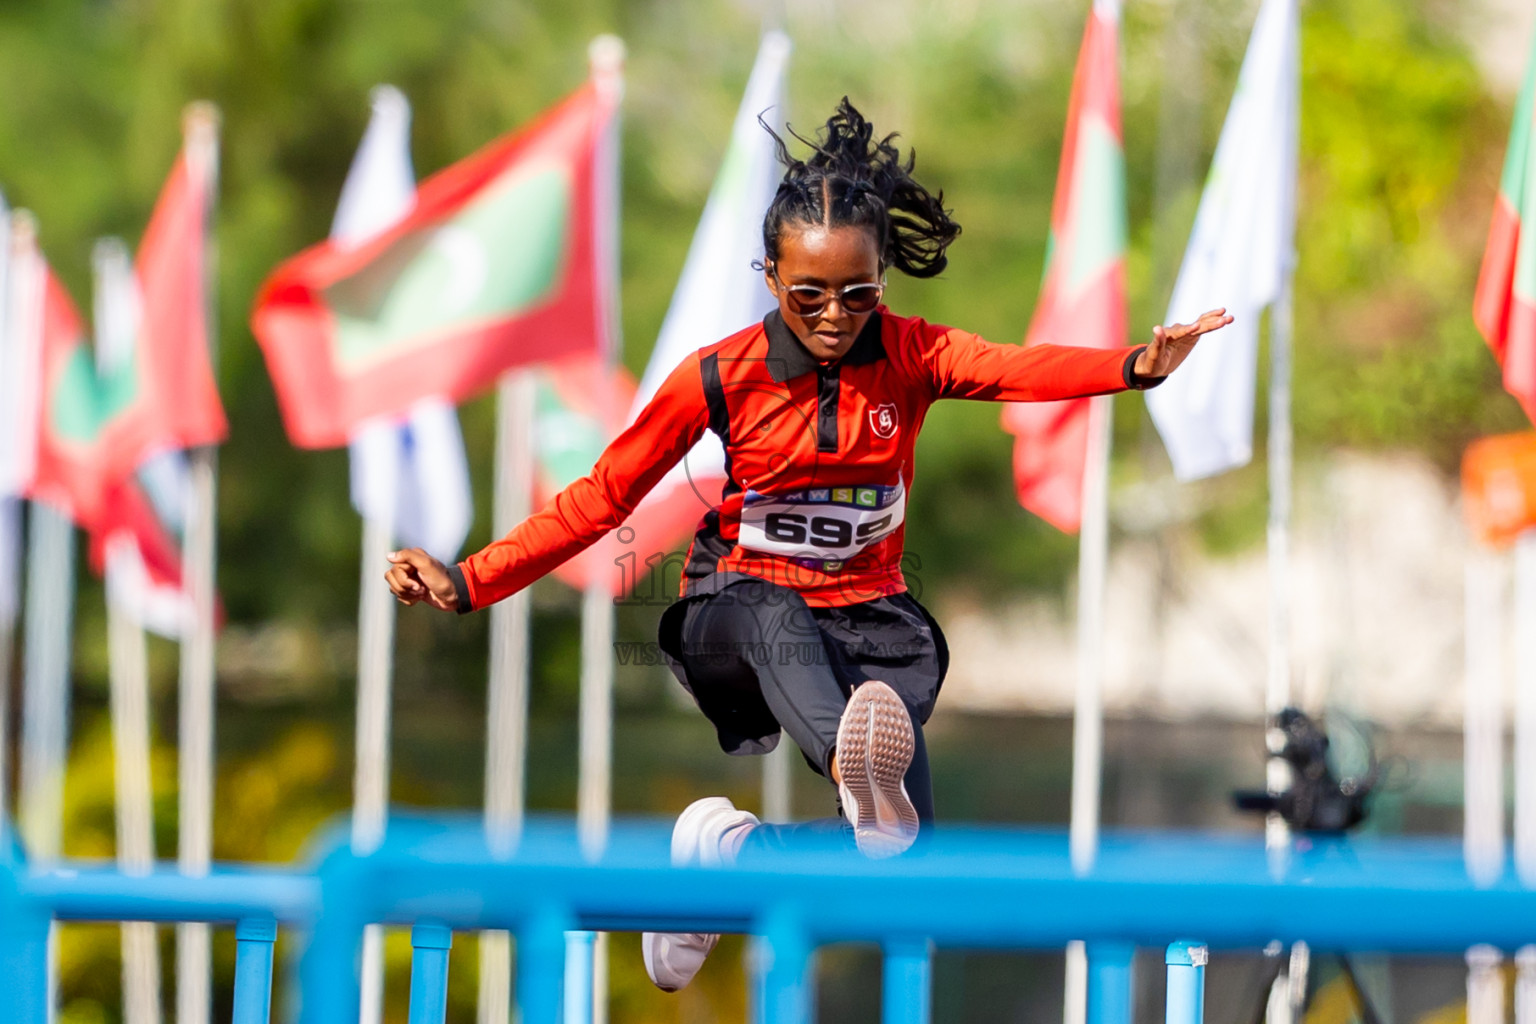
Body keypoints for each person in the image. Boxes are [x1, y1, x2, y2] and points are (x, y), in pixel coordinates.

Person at [385, 98, 1232, 992]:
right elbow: (601, 499)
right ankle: (850, 767)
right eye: (810, 295)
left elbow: (1020, 367)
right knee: (768, 605)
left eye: (858, 294)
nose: (835, 314)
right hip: (736, 628)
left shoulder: (913, 355)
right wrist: (469, 578)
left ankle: (733, 861)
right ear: (770, 278)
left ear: (884, 286)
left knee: (907, 861)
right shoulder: (719, 375)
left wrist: (1136, 365)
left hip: (866, 629)